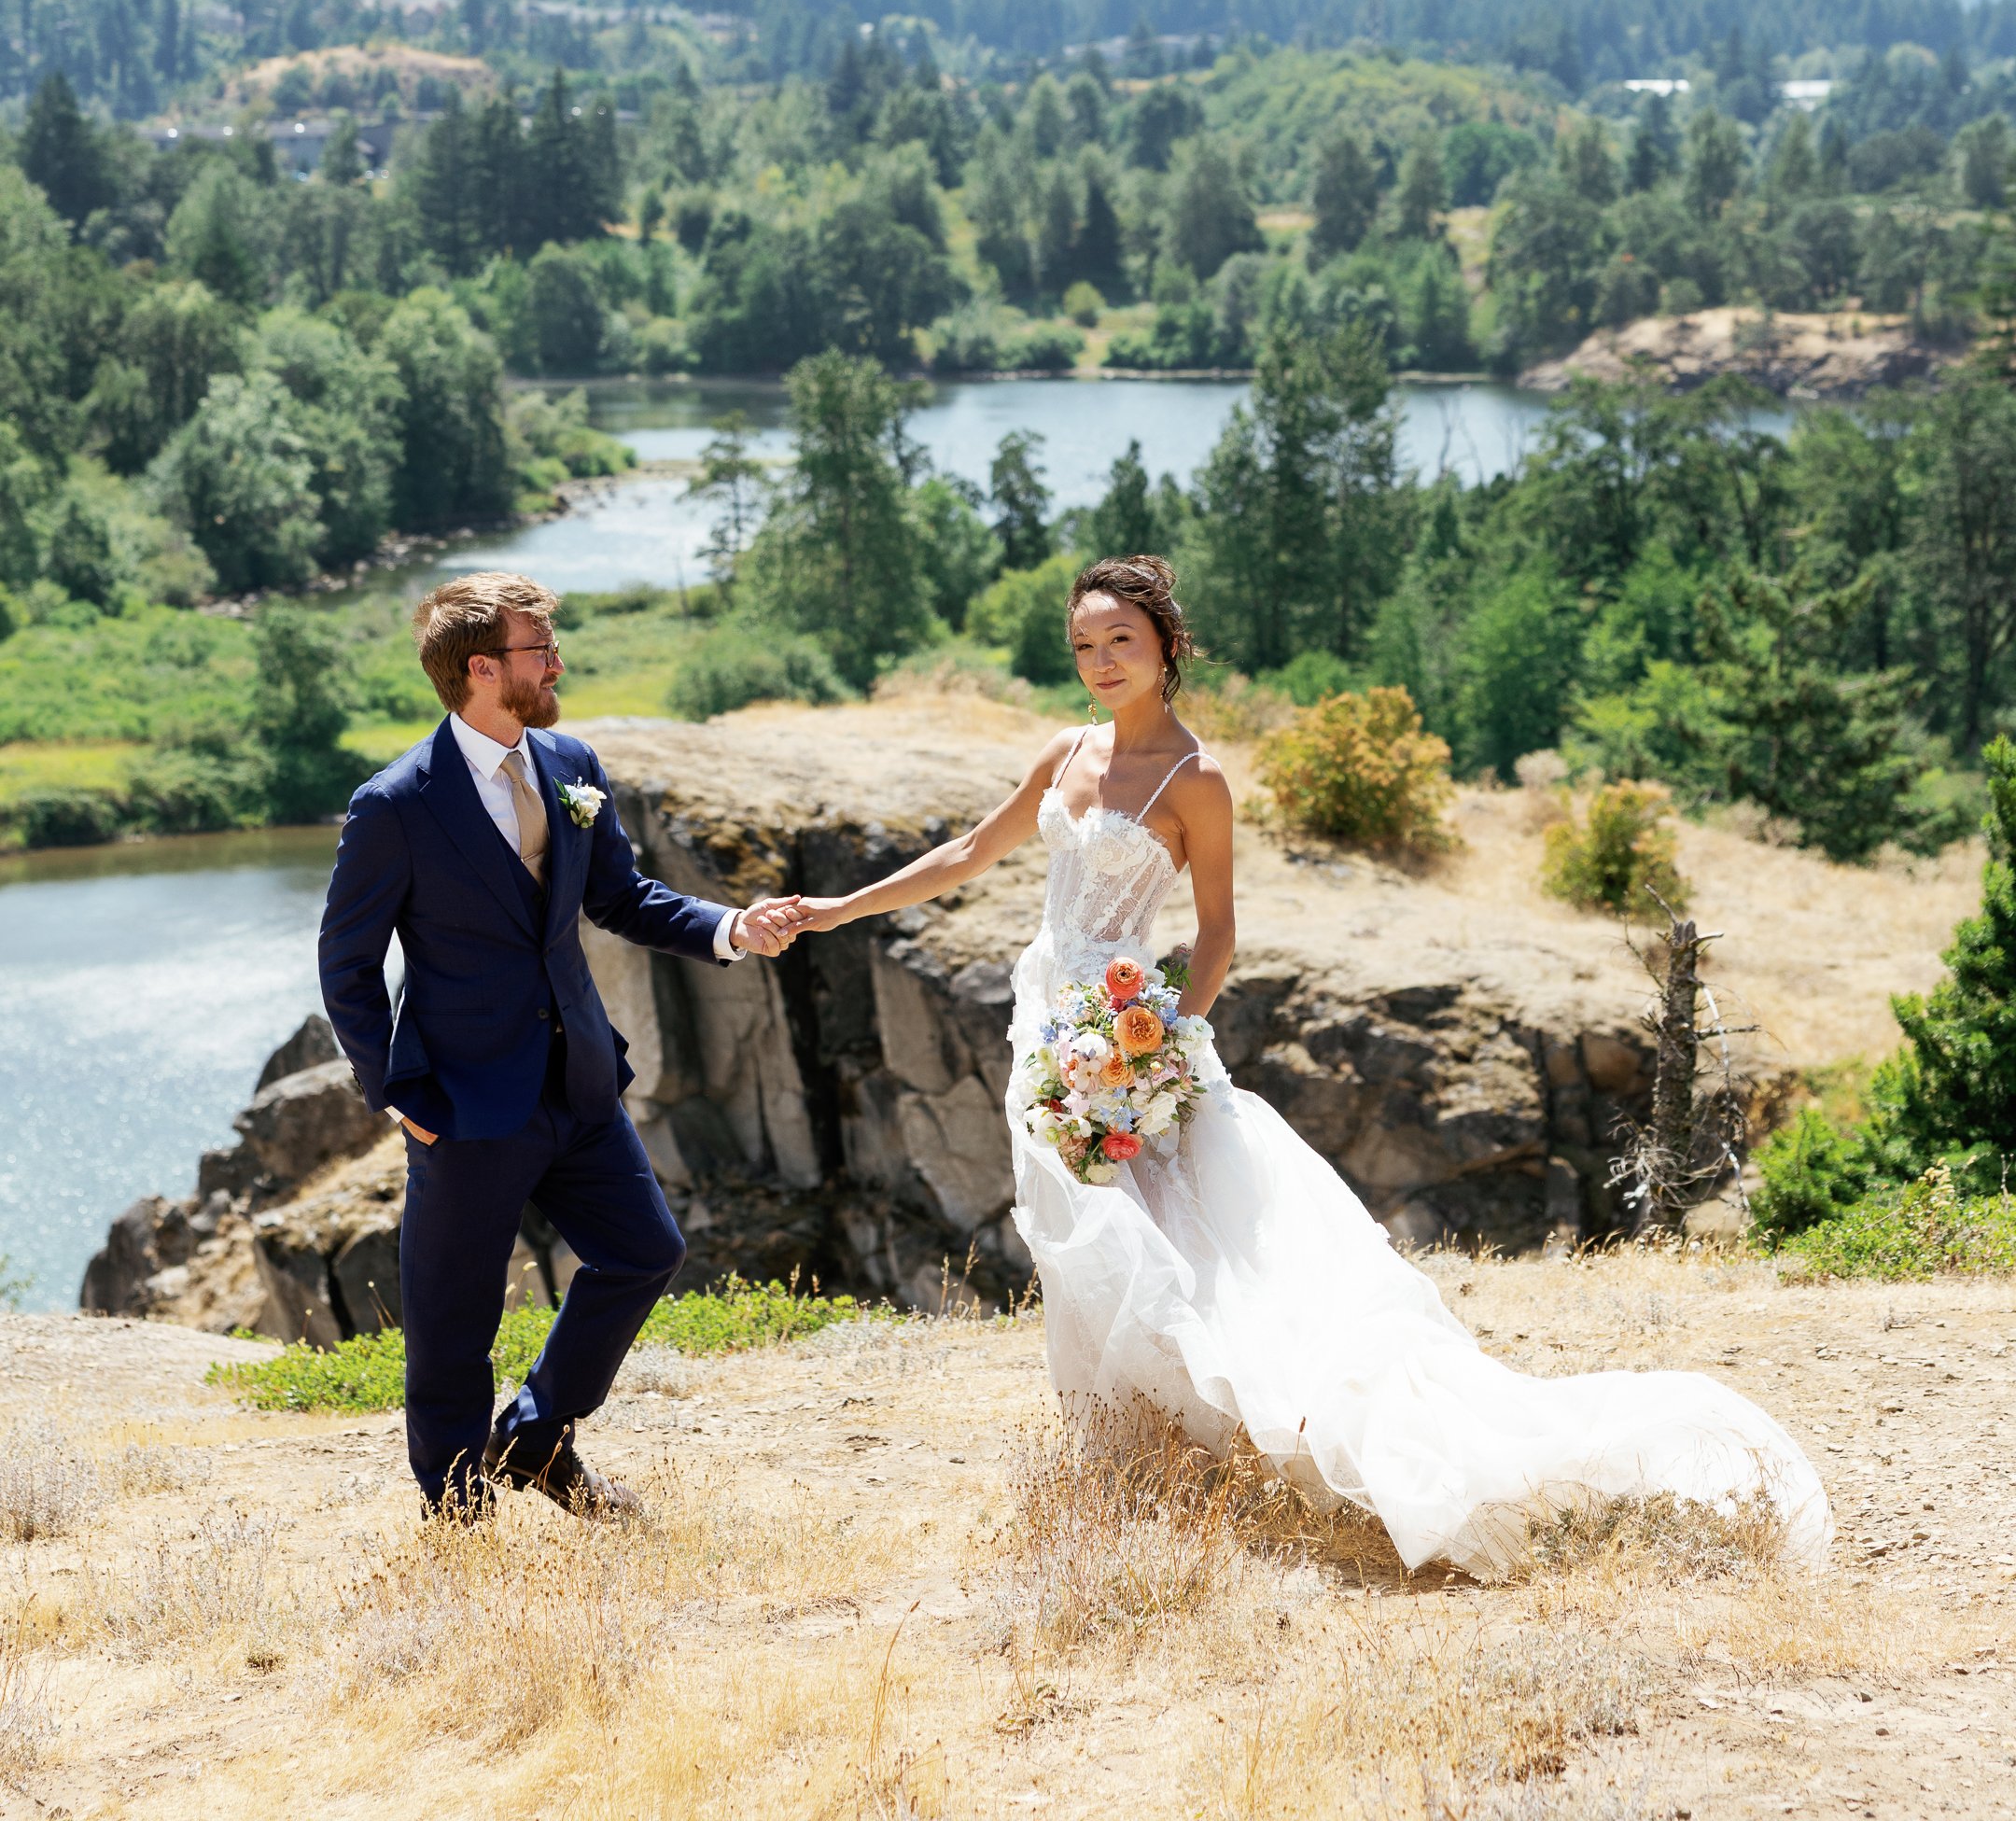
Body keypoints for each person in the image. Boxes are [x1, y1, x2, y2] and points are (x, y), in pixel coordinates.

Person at [784, 553, 1830, 1578]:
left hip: (1131, 1040)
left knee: (1176, 1247)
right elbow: (969, 853)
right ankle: (1131, 1464)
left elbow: (1218, 933)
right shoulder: (1066, 752)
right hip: (1052, 1025)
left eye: (1121, 641)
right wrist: (838, 909)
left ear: (1165, 647)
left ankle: (1220, 1451)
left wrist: (1158, 1055)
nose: (1100, 662)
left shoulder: (1198, 779)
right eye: (1084, 645)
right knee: (1084, 1240)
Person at [318, 571, 797, 1517]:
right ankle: (459, 1515)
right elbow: (347, 964)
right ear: (481, 668)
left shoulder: (572, 763)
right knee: (454, 1321)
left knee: (645, 1252)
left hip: (578, 1079)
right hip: (461, 1102)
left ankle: (535, 1437)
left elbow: (621, 897)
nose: (558, 665)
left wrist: (731, 927)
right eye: (540, 650)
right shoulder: (395, 804)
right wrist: (399, 1094)